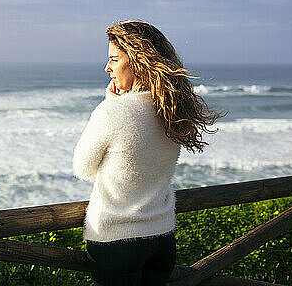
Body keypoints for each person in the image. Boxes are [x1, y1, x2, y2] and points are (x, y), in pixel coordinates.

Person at [73, 20, 224, 286]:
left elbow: (82, 168)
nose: (107, 67)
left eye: (114, 59)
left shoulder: (112, 112)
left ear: (138, 62)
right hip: (162, 240)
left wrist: (112, 102)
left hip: (117, 243)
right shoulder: (172, 111)